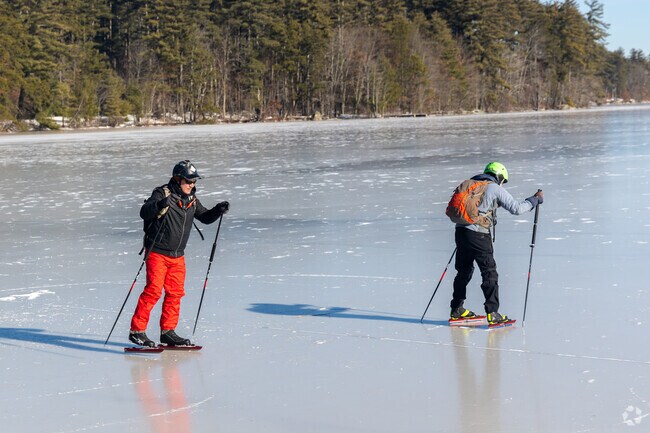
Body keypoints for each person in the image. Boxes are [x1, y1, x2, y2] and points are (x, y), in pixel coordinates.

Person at [129, 160, 229, 347]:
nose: (192, 185)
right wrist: (161, 204)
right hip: (157, 252)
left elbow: (205, 218)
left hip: (177, 256)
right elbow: (144, 212)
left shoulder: (191, 200)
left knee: (175, 293)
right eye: (188, 181)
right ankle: (137, 331)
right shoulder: (162, 193)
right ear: (177, 179)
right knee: (153, 291)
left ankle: (168, 332)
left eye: (194, 182)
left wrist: (217, 210)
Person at [449, 162, 543, 325]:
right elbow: (517, 209)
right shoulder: (494, 188)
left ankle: (457, 309)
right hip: (479, 235)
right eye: (503, 181)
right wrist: (535, 200)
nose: (502, 184)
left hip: (461, 232)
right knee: (489, 272)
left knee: (463, 272)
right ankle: (493, 313)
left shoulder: (471, 184)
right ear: (499, 176)